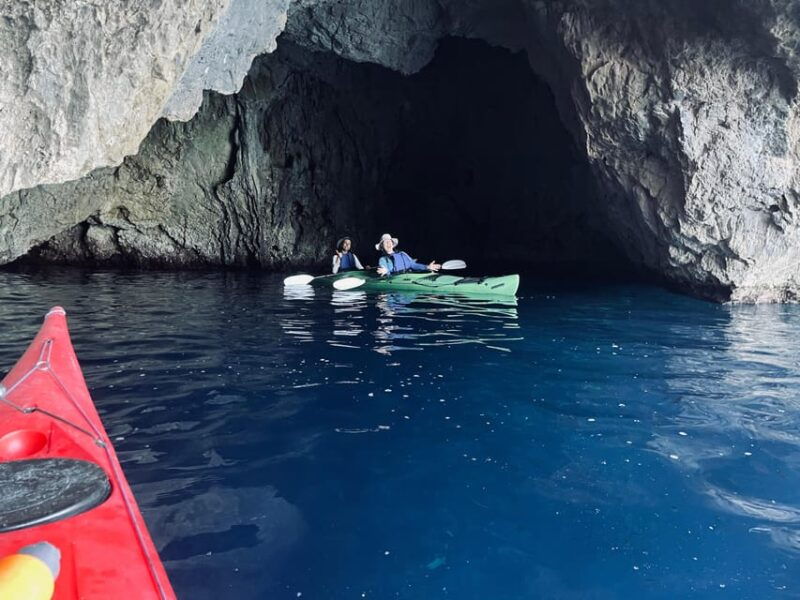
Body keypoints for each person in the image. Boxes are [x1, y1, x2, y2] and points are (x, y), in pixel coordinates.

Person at [375, 233, 441, 276]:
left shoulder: (402, 254)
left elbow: (413, 265)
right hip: (396, 282)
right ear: (382, 247)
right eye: (385, 243)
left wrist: (427, 267)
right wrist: (385, 271)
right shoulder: (383, 259)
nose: (388, 244)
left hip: (409, 277)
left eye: (389, 242)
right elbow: (384, 269)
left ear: (392, 244)